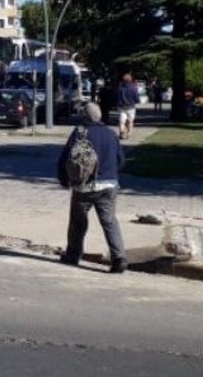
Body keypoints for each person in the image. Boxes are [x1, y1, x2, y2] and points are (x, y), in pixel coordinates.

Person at [57, 102, 127, 273]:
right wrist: (110, 173)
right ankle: (119, 258)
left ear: (84, 117)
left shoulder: (80, 133)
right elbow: (121, 160)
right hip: (109, 185)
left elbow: (65, 158)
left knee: (78, 222)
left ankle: (73, 255)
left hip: (83, 186)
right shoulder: (111, 134)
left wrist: (65, 180)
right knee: (109, 221)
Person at [116, 73, 139, 140]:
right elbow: (136, 98)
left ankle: (121, 132)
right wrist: (136, 101)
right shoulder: (133, 88)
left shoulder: (120, 88)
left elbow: (117, 97)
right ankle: (129, 134)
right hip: (131, 106)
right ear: (130, 79)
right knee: (130, 121)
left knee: (121, 121)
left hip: (121, 106)